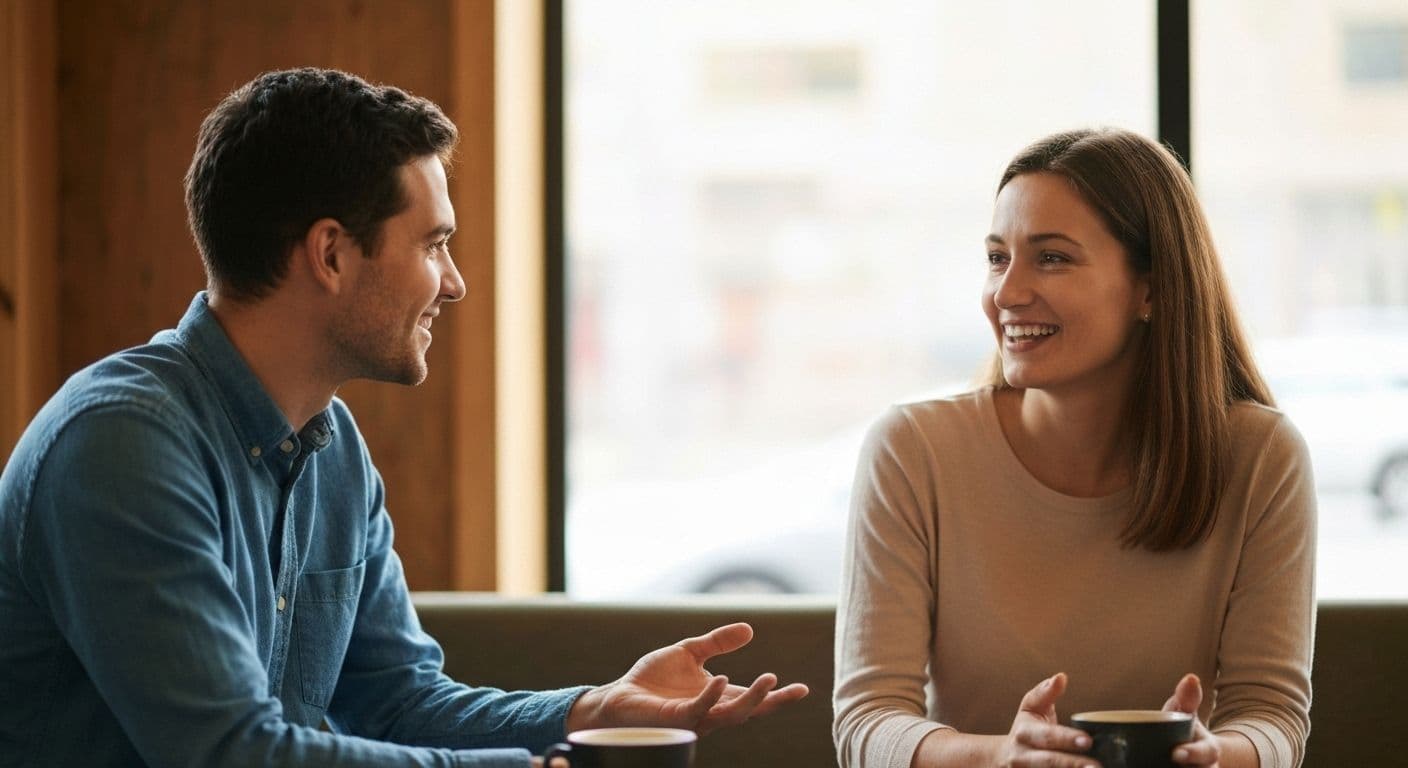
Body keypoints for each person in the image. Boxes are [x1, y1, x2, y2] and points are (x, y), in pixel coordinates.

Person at [0, 68, 807, 768]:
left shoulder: (332, 447)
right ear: (331, 254)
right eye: (433, 245)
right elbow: (228, 754)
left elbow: (396, 700)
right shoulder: (120, 446)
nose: (453, 284)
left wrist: (590, 711)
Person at [832, 128, 1314, 768]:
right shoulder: (913, 451)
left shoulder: (1260, 457)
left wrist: (1219, 755)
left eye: (1052, 258)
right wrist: (1000, 757)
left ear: (1152, 288)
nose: (1006, 294)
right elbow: (867, 724)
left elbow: (1273, 717)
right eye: (998, 257)